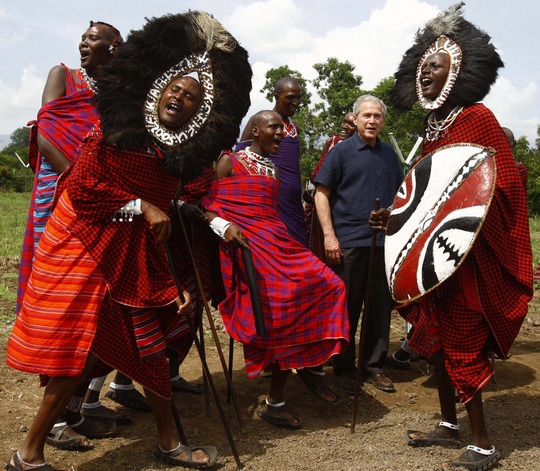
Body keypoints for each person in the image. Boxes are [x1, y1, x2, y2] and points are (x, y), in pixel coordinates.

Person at [5, 11, 252, 471]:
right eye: (176, 88)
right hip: (83, 243)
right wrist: (140, 205)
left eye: (192, 96)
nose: (180, 96)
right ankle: (30, 452)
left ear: (201, 111)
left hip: (133, 255)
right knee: (77, 354)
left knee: (151, 345)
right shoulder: (116, 131)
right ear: (160, 90)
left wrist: (174, 264)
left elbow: (169, 216)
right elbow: (81, 188)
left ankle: (167, 443)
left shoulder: (181, 157)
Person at [388, 4, 533, 469]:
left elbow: (502, 184)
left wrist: (461, 222)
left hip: (467, 258)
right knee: (432, 343)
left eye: (437, 66)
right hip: (434, 263)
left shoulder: (479, 119)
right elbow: (422, 194)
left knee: (463, 344)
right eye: (423, 66)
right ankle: (449, 425)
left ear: (456, 73)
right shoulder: (431, 128)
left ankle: (484, 444)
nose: (426, 73)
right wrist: (391, 219)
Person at [15, 20, 125, 451]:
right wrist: (78, 179)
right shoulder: (63, 74)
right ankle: (55, 424)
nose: (83, 45)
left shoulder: (119, 93)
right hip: (58, 194)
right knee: (59, 299)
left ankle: (74, 409)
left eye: (92, 39)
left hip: (98, 199)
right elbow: (46, 132)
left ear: (113, 48)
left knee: (95, 301)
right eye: (82, 39)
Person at [202, 110, 349, 428]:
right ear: (255, 130)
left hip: (278, 244)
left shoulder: (272, 170)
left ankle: (305, 369)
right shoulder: (230, 161)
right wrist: (224, 226)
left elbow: (271, 216)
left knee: (330, 285)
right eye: (274, 128)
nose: (282, 134)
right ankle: (275, 401)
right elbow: (206, 206)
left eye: (282, 130)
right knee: (283, 307)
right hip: (246, 249)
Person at [314, 94, 404, 395]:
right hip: (348, 241)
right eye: (366, 115)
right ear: (356, 118)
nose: (372, 121)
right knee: (346, 307)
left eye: (377, 116)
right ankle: (343, 366)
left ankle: (373, 366)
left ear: (383, 121)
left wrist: (392, 216)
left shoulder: (390, 155)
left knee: (379, 308)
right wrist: (329, 235)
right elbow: (321, 194)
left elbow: (402, 198)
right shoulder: (341, 152)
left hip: (383, 244)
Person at [236, 77, 307, 246]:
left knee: (297, 249)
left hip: (293, 203)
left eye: (298, 98)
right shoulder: (260, 122)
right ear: (276, 96)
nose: (295, 103)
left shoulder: (294, 127)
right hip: (271, 200)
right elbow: (239, 158)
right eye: (290, 97)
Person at [304, 112, 356, 261]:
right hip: (322, 205)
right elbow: (320, 174)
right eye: (344, 122)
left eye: (351, 124)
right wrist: (313, 193)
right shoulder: (332, 142)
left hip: (342, 208)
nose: (345, 127)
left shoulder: (359, 149)